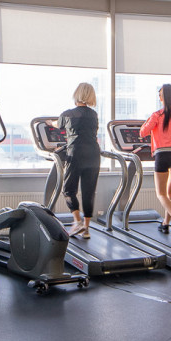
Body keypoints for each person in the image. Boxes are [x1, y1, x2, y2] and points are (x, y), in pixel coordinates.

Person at [138, 83, 171, 238]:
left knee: (161, 193)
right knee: (170, 190)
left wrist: (149, 120)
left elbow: (142, 133)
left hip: (162, 155)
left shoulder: (156, 115)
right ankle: (166, 224)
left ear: (161, 98)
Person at [57, 83, 101, 238]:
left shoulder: (68, 114)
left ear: (76, 94)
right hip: (93, 154)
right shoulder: (94, 114)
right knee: (89, 192)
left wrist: (50, 123)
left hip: (76, 154)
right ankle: (86, 228)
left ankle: (77, 221)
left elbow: (58, 125)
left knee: (68, 190)